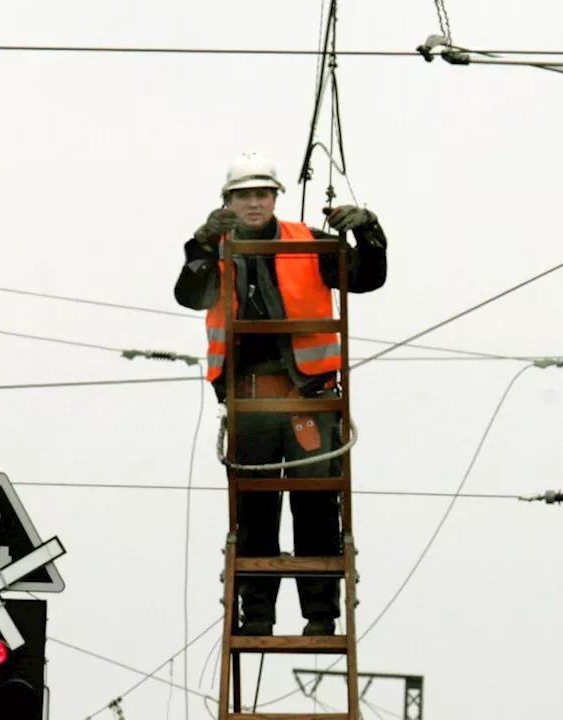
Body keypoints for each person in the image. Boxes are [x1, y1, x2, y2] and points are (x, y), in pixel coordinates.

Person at [174, 151, 388, 636]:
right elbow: (191, 294)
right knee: (255, 508)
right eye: (244, 195)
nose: (254, 203)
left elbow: (366, 277)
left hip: (309, 397)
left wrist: (369, 232)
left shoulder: (309, 241)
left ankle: (319, 615)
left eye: (262, 194)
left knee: (315, 504)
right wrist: (204, 243)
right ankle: (259, 615)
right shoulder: (213, 245)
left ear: (275, 197)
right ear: (228, 200)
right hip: (250, 400)